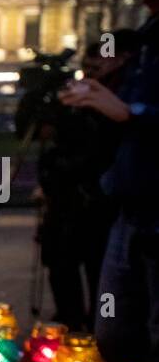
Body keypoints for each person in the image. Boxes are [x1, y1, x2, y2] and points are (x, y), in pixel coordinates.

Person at [61, 0, 159, 362]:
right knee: (115, 328)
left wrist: (130, 112)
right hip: (129, 205)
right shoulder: (147, 41)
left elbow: (135, 113)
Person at [30, 32, 137, 332]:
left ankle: (99, 327)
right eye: (86, 69)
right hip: (63, 200)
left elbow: (103, 150)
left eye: (97, 69)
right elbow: (50, 143)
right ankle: (70, 319)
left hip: (98, 203)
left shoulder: (121, 101)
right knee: (61, 264)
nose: (90, 77)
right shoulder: (73, 105)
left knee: (98, 268)